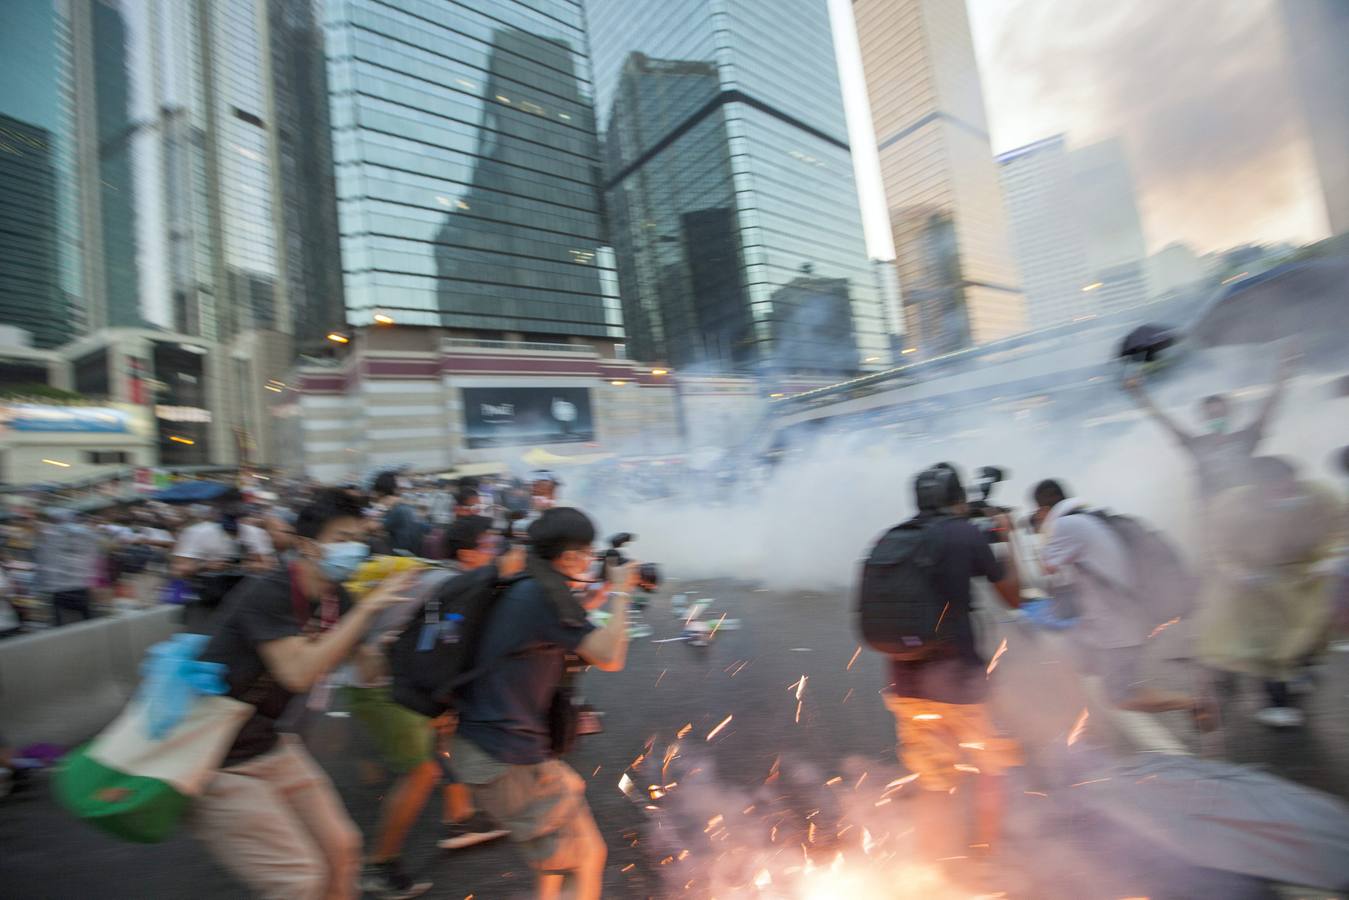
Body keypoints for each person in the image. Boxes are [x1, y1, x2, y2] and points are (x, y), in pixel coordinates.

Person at [192, 488, 416, 900]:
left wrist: (395, 633)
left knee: (342, 850)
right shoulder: (269, 592)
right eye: (342, 538)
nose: (355, 548)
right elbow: (298, 674)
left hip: (269, 743)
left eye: (359, 538)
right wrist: (367, 610)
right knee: (298, 881)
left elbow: (368, 670)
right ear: (307, 546)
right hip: (216, 757)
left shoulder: (337, 597)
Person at [449, 507, 637, 900]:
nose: (590, 561)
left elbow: (549, 625)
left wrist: (599, 593)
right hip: (505, 757)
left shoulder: (526, 580)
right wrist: (622, 592)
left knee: (560, 854)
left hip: (492, 747)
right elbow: (610, 655)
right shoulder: (543, 596)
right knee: (584, 859)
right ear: (568, 558)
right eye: (587, 554)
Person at [342, 516, 518, 900]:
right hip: (385, 686)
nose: (496, 551)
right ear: (466, 553)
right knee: (421, 772)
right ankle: (380, 865)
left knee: (441, 738)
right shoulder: (451, 585)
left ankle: (460, 816)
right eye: (489, 545)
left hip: (390, 680)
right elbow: (439, 643)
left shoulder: (443, 577)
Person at [874, 464, 1023, 872]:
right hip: (960, 686)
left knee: (934, 779)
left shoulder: (894, 538)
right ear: (958, 501)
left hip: (905, 685)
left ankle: (932, 868)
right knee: (988, 767)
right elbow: (1014, 596)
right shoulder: (964, 534)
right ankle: (988, 860)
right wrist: (1008, 537)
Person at [1030, 479, 1202, 715]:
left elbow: (1046, 568)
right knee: (1064, 663)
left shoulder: (1065, 525)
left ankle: (1195, 703)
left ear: (1042, 509)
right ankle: (1067, 721)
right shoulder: (1090, 518)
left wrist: (1041, 531)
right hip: (1110, 622)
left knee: (1121, 696)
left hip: (1118, 626)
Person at [1197, 456, 1342, 728]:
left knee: (1311, 633)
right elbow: (1218, 546)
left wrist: (1332, 557)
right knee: (1269, 646)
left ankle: (1301, 667)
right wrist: (1236, 571)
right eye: (1275, 486)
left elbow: (1340, 528)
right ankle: (1276, 702)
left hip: (1306, 579)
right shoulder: (1232, 506)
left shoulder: (1320, 496)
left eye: (1289, 484)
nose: (1284, 490)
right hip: (1256, 586)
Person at [1124, 346, 1296, 504]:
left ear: (1230, 414)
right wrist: (1138, 394)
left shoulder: (1245, 438)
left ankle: (1288, 502)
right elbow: (1162, 420)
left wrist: (1284, 372)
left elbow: (1270, 407)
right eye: (1212, 414)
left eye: (1221, 413)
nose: (1217, 418)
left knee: (1276, 464)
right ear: (1204, 418)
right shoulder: (1196, 445)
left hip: (1250, 500)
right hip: (1217, 508)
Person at [172, 490, 276, 621]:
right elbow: (178, 570)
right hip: (206, 602)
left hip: (245, 602)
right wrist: (206, 566)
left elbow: (270, 566)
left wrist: (247, 565)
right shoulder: (197, 532)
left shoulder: (256, 534)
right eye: (228, 513)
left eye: (236, 513)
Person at [36, 508, 103, 626]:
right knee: (88, 620)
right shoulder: (84, 533)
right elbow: (94, 554)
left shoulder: (49, 536)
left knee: (62, 624)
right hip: (81, 586)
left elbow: (44, 563)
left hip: (59, 589)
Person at [372, 471, 424, 555]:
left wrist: (381, 512)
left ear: (380, 492)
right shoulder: (406, 505)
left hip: (401, 553)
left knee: (372, 542)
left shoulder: (396, 509)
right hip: (415, 552)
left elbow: (375, 528)